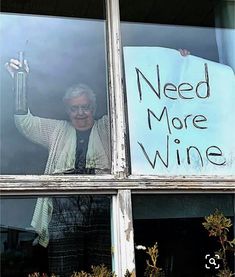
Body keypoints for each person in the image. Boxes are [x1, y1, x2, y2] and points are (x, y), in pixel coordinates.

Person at [6, 59, 111, 276]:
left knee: (104, 270)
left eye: (85, 107)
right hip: (63, 216)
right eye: (75, 108)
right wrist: (20, 81)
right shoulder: (57, 130)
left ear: (94, 108)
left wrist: (178, 69)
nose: (81, 113)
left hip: (102, 211)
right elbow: (25, 122)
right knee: (63, 272)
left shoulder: (108, 127)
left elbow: (136, 111)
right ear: (67, 110)